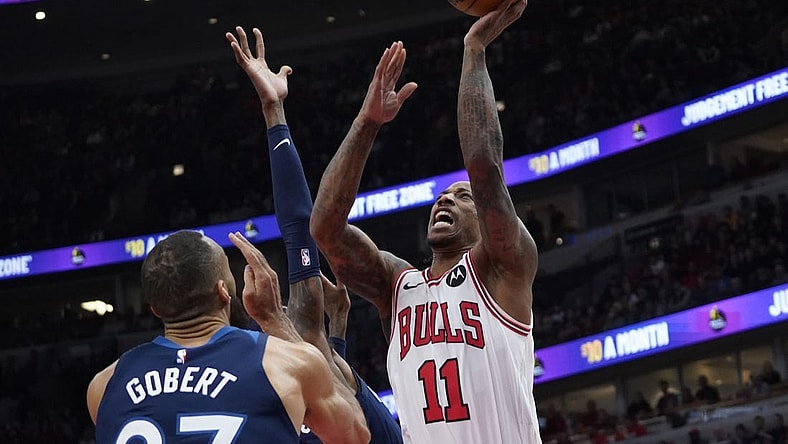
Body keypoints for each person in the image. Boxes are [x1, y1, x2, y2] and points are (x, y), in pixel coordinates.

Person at [309, 1, 538, 442]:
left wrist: (474, 51)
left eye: (461, 197)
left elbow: (485, 166)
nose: (444, 201)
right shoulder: (397, 287)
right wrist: (367, 122)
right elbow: (326, 229)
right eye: (440, 196)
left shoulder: (503, 267)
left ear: (488, 216)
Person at [226, 26, 402, 444]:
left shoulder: (291, 363)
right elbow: (298, 229)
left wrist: (336, 329)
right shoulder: (296, 348)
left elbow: (298, 231)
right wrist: (273, 112)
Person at [86, 230, 370, 444]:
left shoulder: (103, 386)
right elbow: (356, 435)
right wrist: (275, 319)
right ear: (223, 291)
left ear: (155, 309)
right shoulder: (288, 365)